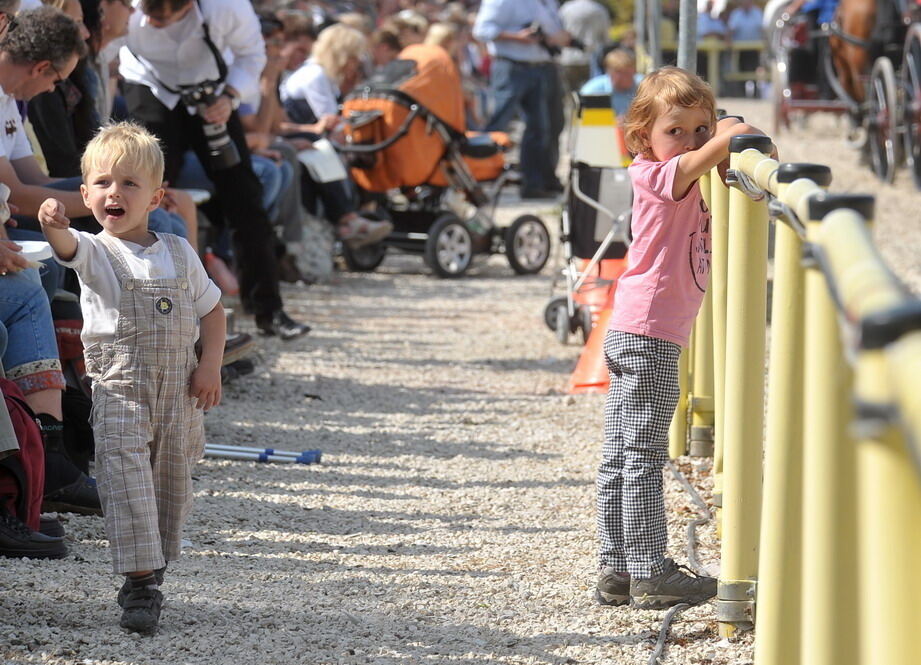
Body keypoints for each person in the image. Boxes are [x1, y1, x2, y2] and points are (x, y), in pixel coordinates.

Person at [594, 67, 772, 610]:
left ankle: (616, 567)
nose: (691, 141)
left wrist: (725, 132)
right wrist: (722, 136)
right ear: (643, 136)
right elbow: (696, 163)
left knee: (621, 452)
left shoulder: (681, 166)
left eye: (699, 128)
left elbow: (719, 150)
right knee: (641, 453)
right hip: (648, 332)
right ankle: (650, 572)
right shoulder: (653, 174)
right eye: (677, 130)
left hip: (637, 326)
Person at [38, 122, 225, 634]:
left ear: (157, 198)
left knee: (169, 487)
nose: (113, 193)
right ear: (85, 195)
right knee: (125, 483)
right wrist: (52, 222)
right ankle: (139, 584)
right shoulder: (96, 252)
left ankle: (153, 565)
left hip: (177, 395)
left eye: (128, 183)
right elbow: (66, 246)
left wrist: (209, 364)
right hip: (120, 391)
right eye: (101, 183)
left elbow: (212, 311)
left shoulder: (179, 252)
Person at [119, 0, 308, 340]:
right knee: (148, 189)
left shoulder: (225, 7)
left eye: (167, 18)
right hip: (150, 86)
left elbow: (252, 55)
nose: (157, 24)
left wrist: (231, 96)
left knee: (245, 197)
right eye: (151, 16)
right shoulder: (131, 9)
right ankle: (151, 313)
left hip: (211, 92)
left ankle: (268, 309)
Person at [472, 0, 570, 199]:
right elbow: (481, 30)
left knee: (541, 128)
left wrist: (555, 38)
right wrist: (517, 36)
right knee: (498, 123)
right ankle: (473, 179)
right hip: (511, 66)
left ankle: (534, 183)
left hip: (541, 66)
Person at [558, 0, 610, 91]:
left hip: (567, 58)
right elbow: (605, 37)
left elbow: (558, 31)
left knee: (570, 95)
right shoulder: (599, 9)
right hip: (591, 57)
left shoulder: (566, 8)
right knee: (591, 94)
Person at [579, 48, 640, 118]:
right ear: (609, 72)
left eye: (629, 74)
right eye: (622, 74)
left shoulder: (643, 86)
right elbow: (582, 119)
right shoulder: (592, 91)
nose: (626, 79)